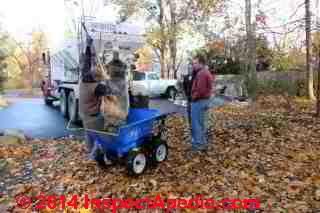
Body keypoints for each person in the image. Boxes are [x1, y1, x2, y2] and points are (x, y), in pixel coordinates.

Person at [189, 54, 214, 153]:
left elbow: (200, 91)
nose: (193, 65)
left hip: (199, 102)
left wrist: (192, 98)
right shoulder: (205, 72)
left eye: (195, 63)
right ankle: (202, 143)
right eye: (193, 63)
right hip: (204, 101)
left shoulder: (202, 74)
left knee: (196, 124)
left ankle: (198, 146)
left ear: (201, 63)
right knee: (202, 123)